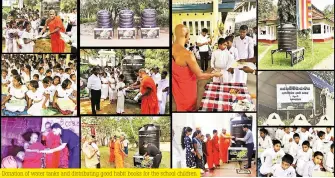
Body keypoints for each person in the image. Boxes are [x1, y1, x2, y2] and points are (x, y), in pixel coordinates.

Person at [172, 24, 221, 111]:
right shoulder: (187, 54)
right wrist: (214, 74)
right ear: (186, 35)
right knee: (190, 109)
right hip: (188, 92)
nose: (189, 37)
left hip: (177, 92)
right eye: (189, 34)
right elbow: (200, 76)